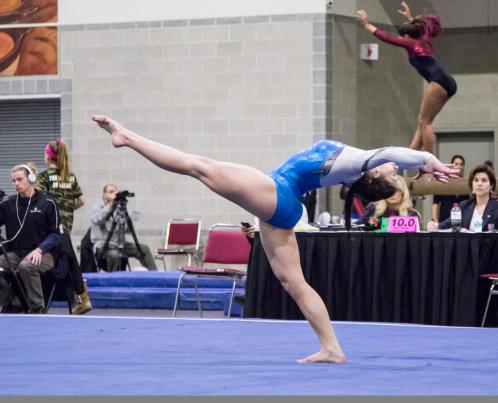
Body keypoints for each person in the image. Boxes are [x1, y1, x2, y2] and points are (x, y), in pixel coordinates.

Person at [91, 114, 458, 364]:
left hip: (278, 193)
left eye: (392, 175)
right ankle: (331, 348)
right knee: (294, 283)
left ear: (374, 175)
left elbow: (395, 153)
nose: (394, 169)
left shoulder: (360, 162)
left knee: (198, 165)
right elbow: (392, 157)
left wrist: (427, 161)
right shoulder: (356, 165)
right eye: (395, 173)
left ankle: (128, 137)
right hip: (282, 204)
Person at [356, 2, 456, 154]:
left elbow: (387, 38)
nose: (400, 38)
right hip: (447, 82)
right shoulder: (423, 40)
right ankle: (410, 157)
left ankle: (430, 163)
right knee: (422, 122)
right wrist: (410, 19)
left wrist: (367, 24)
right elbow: (419, 30)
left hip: (438, 81)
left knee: (425, 122)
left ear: (407, 36)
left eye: (401, 36)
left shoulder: (411, 43)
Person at [36, 138, 92, 315]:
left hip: (51, 227)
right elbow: (82, 200)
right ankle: (81, 298)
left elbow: (40, 202)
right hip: (66, 226)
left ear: (48, 156)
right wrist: (67, 208)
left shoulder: (44, 177)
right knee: (67, 259)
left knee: (65, 261)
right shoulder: (69, 175)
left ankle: (80, 298)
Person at [0, 164, 61, 313]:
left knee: (26, 266)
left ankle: (37, 307)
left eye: (19, 179)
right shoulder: (7, 204)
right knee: (19, 263)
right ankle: (13, 303)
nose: (16, 184)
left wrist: (40, 249)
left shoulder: (47, 203)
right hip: (16, 253)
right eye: (13, 181)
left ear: (31, 179)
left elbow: (56, 235)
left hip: (45, 254)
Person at [90, 184, 157, 272]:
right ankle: (114, 281)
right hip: (103, 245)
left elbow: (125, 230)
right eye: (111, 192)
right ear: (104, 195)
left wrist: (131, 220)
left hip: (119, 244)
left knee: (144, 249)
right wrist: (111, 205)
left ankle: (154, 275)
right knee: (115, 255)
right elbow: (98, 219)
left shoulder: (119, 208)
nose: (114, 194)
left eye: (115, 192)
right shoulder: (97, 207)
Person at [427, 164, 498, 232]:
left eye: (484, 180)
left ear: (491, 186)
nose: (479, 184)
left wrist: (469, 234)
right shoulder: (464, 206)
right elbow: (446, 225)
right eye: (476, 180)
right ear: (472, 185)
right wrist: (434, 226)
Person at [431, 155, 469, 223]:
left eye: (461, 164)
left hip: (462, 221)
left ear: (463, 167)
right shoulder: (443, 182)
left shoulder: (466, 184)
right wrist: (434, 220)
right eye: (456, 164)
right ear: (451, 166)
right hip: (444, 220)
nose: (459, 166)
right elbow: (435, 203)